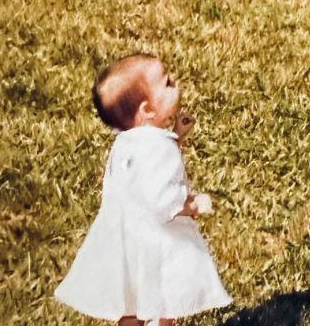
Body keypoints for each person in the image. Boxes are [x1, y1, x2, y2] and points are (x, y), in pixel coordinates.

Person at [55, 54, 231, 325]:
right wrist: (194, 205)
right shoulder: (159, 148)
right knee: (164, 307)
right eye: (168, 82)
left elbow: (143, 178)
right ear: (148, 109)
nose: (176, 84)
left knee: (132, 308)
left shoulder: (127, 143)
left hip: (125, 244)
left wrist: (176, 135)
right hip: (156, 245)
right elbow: (163, 202)